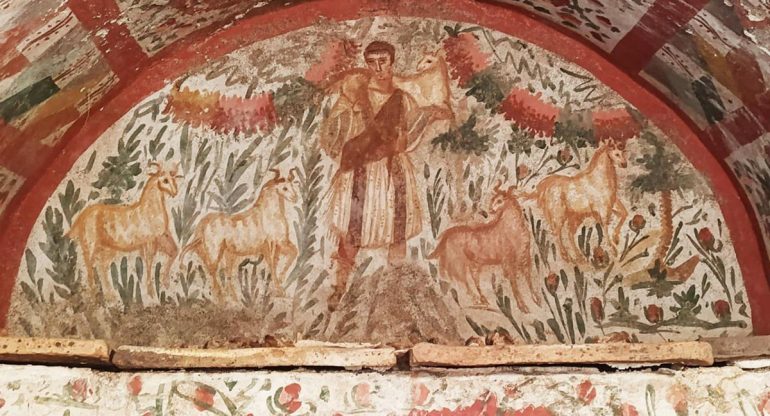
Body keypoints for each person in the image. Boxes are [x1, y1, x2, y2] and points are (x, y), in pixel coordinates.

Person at [319, 41, 449, 308]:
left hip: (393, 171)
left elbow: (409, 134)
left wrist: (429, 117)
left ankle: (394, 290)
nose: (378, 68)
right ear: (366, 64)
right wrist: (349, 110)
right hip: (360, 170)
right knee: (352, 231)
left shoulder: (403, 98)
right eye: (372, 62)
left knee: (397, 231)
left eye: (383, 61)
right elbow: (333, 131)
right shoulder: (357, 94)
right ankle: (339, 287)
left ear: (392, 62)